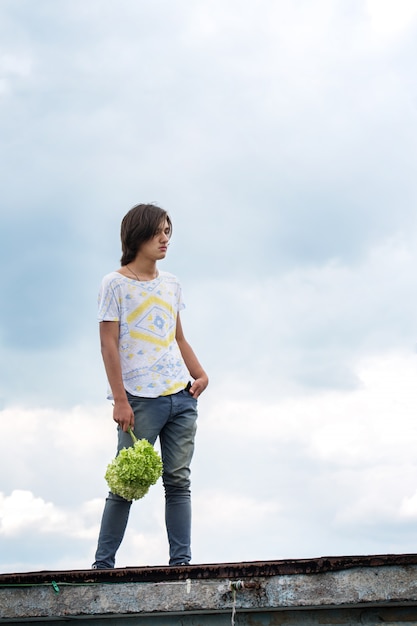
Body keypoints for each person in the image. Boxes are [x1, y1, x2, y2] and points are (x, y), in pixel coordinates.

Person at [92, 203, 208, 569]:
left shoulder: (172, 283)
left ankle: (181, 565)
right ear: (137, 235)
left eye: (168, 232)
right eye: (158, 231)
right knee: (125, 483)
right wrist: (120, 401)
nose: (165, 239)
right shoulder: (114, 284)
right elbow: (108, 345)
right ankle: (102, 566)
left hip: (181, 396)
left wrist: (201, 374)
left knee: (178, 483)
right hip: (139, 402)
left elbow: (178, 337)